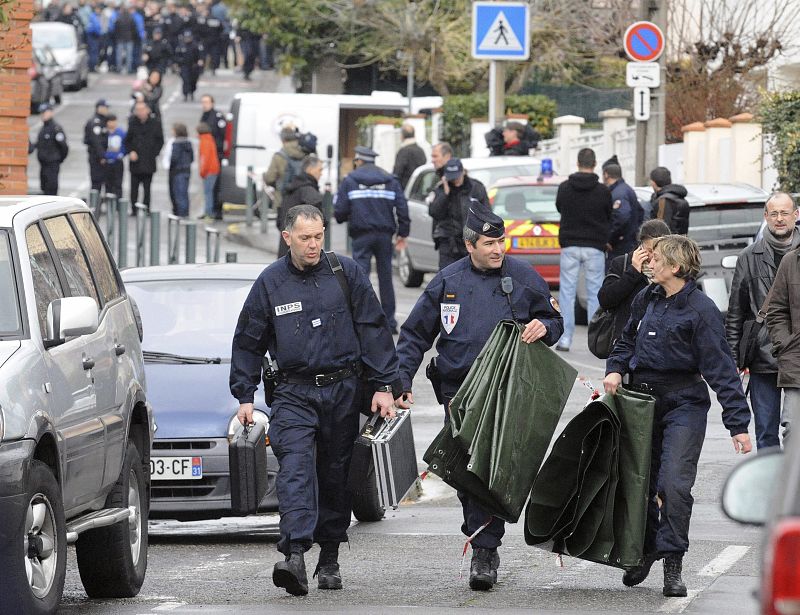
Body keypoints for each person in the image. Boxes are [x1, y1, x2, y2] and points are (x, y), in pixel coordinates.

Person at [229, 204, 400, 596]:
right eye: (305, 238)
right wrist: (245, 394)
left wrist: (383, 386)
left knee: (334, 475)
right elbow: (248, 340)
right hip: (293, 392)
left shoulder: (345, 273)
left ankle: (329, 558)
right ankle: (293, 555)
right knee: (296, 470)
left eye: (319, 236)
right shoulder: (270, 282)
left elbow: (373, 329)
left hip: (343, 389)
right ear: (287, 237)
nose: (313, 244)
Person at [396, 204, 563, 592]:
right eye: (488, 243)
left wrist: (545, 327)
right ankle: (482, 538)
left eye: (500, 241)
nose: (497, 249)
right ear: (469, 244)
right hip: (460, 393)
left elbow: (554, 320)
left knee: (491, 471)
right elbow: (414, 336)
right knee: (466, 473)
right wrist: (400, 380)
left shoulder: (523, 277)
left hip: (507, 392)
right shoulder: (447, 281)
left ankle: (485, 550)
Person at [603, 235, 752, 598]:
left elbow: (720, 369)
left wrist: (738, 424)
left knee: (674, 485)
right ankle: (649, 546)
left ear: (677, 268)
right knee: (640, 484)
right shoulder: (646, 297)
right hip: (642, 403)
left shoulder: (701, 310)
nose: (649, 265)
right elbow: (624, 341)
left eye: (656, 260)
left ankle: (672, 562)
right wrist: (616, 369)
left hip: (684, 404)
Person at [726, 193, 799, 450]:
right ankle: (771, 488)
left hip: (797, 354)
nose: (780, 219)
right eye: (774, 214)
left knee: (795, 430)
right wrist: (734, 359)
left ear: (796, 215)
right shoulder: (749, 256)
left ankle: (792, 485)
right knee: (766, 432)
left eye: (785, 213)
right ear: (766, 217)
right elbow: (736, 311)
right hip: (762, 357)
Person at [334, 145, 410, 334]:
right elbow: (402, 208)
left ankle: (361, 319)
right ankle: (390, 322)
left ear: (359, 161)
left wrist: (347, 215)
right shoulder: (390, 180)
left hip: (361, 236)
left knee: (360, 278)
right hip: (385, 236)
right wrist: (403, 233)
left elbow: (340, 212)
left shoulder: (350, 180)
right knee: (386, 279)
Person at [554, 147, 612, 352]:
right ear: (594, 164)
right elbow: (608, 215)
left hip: (570, 244)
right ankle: (593, 340)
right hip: (595, 246)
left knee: (567, 293)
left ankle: (565, 339)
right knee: (595, 292)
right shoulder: (603, 191)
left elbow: (560, 207)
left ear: (577, 163)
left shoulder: (565, 188)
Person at [596, 219, 671, 351]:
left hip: (659, 343)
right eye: (648, 250)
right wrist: (633, 272)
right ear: (640, 245)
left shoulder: (672, 267)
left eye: (657, 251)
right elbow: (605, 300)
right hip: (626, 343)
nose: (652, 256)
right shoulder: (622, 263)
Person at [765, 206, 800, 444]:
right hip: (797, 362)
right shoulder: (792, 261)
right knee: (792, 431)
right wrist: (785, 344)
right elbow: (776, 310)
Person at [429, 158, 489, 270]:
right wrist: (445, 194)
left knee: (472, 280)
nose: (455, 181)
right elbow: (434, 212)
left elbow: (486, 214)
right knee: (447, 280)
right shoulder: (441, 189)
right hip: (448, 242)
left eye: (457, 176)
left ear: (463, 172)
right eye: (451, 177)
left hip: (471, 241)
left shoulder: (476, 188)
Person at [278, 155, 324, 257]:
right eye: (320, 170)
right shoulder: (309, 191)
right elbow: (320, 221)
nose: (321, 174)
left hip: (286, 250)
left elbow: (279, 219)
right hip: (303, 255)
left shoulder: (291, 189)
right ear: (310, 169)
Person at [124, 100, 164, 210]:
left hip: (149, 160)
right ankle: (134, 208)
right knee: (134, 187)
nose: (140, 112)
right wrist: (130, 151)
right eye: (137, 110)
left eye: (142, 109)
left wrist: (154, 153)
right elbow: (127, 140)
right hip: (135, 161)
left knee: (147, 187)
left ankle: (146, 207)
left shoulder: (155, 122)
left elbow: (160, 140)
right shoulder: (132, 122)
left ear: (147, 110)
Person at [264, 127, 306, 228]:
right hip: (303, 200)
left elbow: (270, 178)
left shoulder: (279, 156)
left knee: (285, 234)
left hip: (283, 201)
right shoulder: (305, 152)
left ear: (282, 139)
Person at [602, 159, 641, 266]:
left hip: (620, 245)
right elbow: (640, 212)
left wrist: (611, 239)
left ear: (606, 175)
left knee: (615, 275)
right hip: (628, 242)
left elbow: (622, 217)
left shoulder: (618, 193)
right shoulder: (626, 189)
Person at [30, 103, 68, 196]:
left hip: (52, 164)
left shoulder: (55, 128)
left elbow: (64, 147)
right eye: (42, 113)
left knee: (51, 189)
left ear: (51, 113)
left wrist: (58, 159)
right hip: (43, 165)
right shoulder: (43, 129)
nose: (43, 115)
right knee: (44, 188)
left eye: (45, 112)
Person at [199, 94, 227, 218]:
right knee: (210, 186)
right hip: (209, 154)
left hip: (217, 155)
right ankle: (210, 210)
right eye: (203, 102)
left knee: (216, 185)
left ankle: (216, 210)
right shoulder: (204, 116)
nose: (204, 104)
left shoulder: (217, 117)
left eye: (207, 102)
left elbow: (223, 135)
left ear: (212, 103)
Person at [650, 167, 689, 234]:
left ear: (653, 182)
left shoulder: (664, 200)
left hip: (668, 243)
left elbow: (661, 229)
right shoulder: (679, 196)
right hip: (680, 241)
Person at [84, 98, 109, 194]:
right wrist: (102, 156)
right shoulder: (96, 122)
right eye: (105, 107)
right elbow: (96, 141)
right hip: (96, 157)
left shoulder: (103, 120)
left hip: (100, 156)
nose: (107, 110)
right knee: (96, 183)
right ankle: (96, 205)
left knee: (105, 183)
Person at [392, 123, 426, 189]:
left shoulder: (403, 151)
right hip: (419, 190)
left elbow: (397, 172)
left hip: (405, 189)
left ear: (402, 136)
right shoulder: (420, 150)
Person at [174, 30, 204, 102]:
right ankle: (185, 94)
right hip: (184, 66)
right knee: (185, 80)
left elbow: (201, 55)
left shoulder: (196, 45)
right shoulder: (180, 46)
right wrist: (177, 65)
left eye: (189, 37)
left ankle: (192, 92)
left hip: (194, 66)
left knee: (193, 81)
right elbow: (176, 56)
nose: (187, 39)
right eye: (186, 37)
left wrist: (200, 60)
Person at [197, 122, 219, 219]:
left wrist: (202, 171)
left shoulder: (204, 141)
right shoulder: (209, 139)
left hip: (209, 171)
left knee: (207, 192)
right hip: (213, 169)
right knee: (209, 192)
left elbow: (204, 158)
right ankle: (208, 211)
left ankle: (208, 213)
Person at [101, 113, 126, 200]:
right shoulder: (104, 133)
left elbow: (126, 145)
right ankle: (109, 205)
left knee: (118, 184)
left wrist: (121, 154)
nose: (113, 124)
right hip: (107, 162)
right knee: (108, 185)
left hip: (117, 162)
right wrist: (103, 156)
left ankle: (119, 205)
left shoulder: (121, 133)